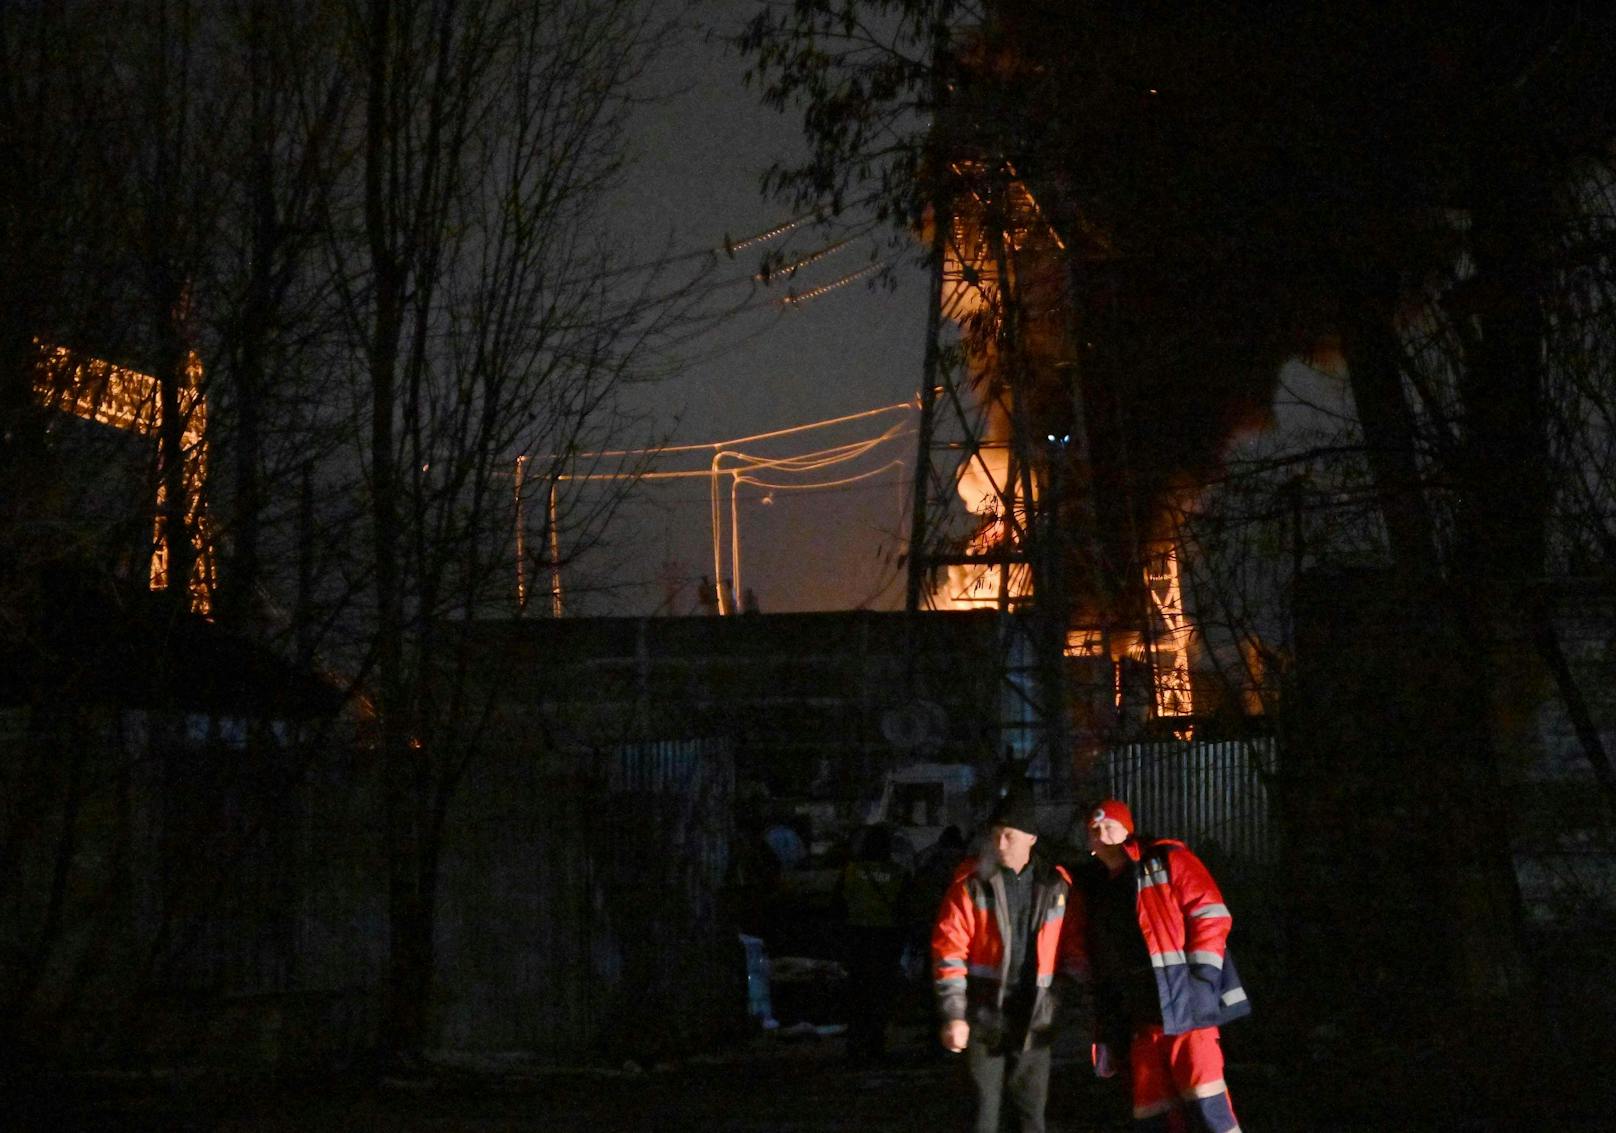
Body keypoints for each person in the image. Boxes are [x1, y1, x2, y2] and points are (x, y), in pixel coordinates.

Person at [1074, 799, 1250, 1133]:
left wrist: (1203, 978)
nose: (1102, 835)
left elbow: (1210, 914)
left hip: (1187, 1013)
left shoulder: (1167, 860)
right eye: (1094, 830)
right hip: (1142, 1022)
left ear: (1128, 830)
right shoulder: (1096, 889)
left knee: (1208, 1109)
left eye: (1109, 826)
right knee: (1152, 1117)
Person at [932, 787, 1083, 1132]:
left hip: (1035, 1016)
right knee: (982, 1116)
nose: (999, 844)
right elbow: (948, 951)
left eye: (1008, 836)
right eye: (996, 835)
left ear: (1030, 837)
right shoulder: (970, 885)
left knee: (1031, 1116)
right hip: (985, 1016)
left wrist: (1062, 998)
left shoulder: (1057, 885)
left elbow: (1073, 949)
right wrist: (955, 1014)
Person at [837, 823, 911, 1059]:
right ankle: (876, 1041)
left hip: (857, 937)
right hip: (886, 940)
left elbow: (838, 905)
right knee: (881, 992)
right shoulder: (898, 874)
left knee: (858, 991)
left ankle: (855, 1041)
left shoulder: (850, 871)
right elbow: (905, 908)